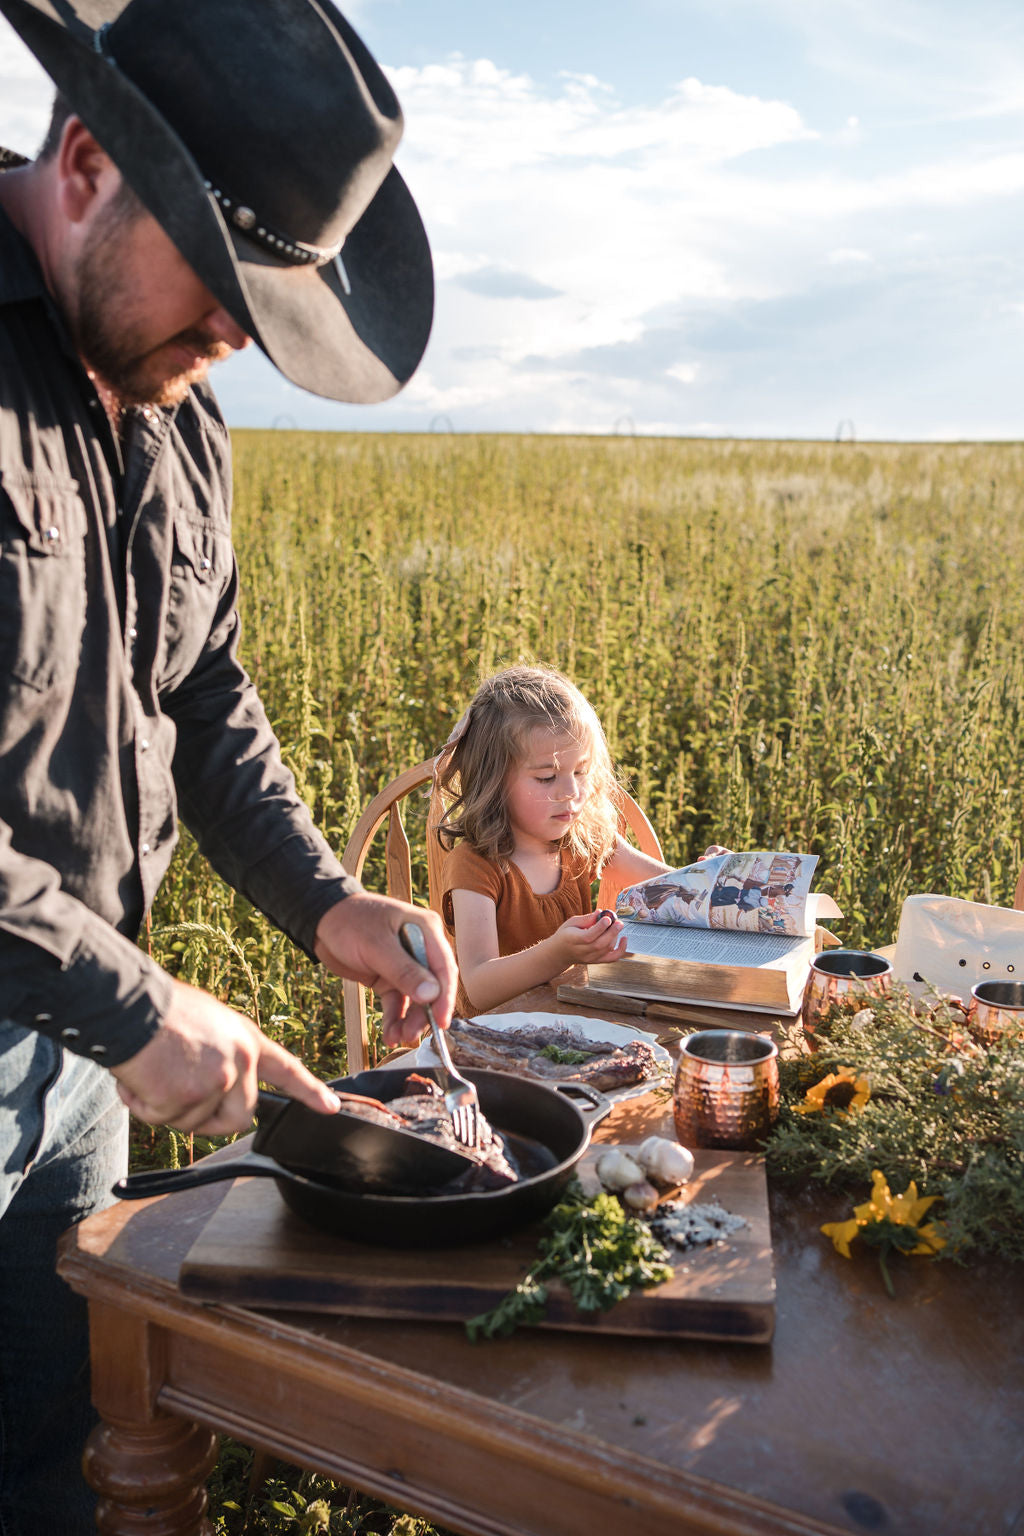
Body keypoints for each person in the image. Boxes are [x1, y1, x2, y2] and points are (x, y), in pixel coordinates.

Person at [0, 0, 456, 1529]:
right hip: (88, 1010)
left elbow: (199, 693)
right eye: (221, 287)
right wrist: (133, 1002)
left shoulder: (175, 403)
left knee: (62, 1450)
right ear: (83, 163)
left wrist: (326, 901)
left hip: (71, 1074)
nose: (234, 344)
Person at [435, 664, 706, 1013]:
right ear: (493, 782)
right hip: (490, 1039)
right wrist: (558, 952)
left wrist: (709, 875)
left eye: (581, 770)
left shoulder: (582, 839)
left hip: (571, 1027)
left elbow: (669, 886)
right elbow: (480, 986)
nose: (572, 792)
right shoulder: (475, 865)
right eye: (547, 777)